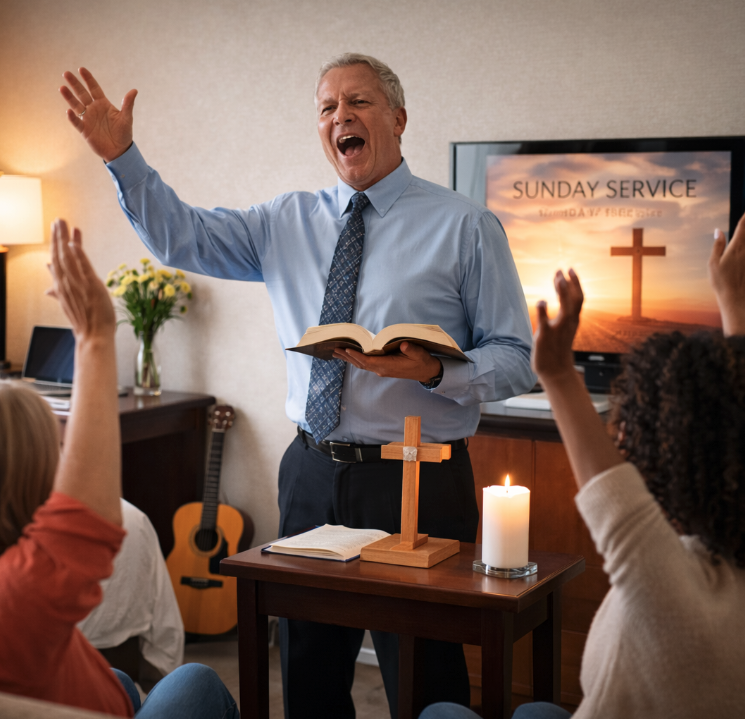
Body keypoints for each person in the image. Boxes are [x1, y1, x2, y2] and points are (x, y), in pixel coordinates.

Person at [60, 54, 535, 717]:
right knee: (308, 675)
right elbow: (181, 237)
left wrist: (434, 370)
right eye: (326, 107)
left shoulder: (465, 225)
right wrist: (124, 158)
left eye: (359, 102)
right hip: (311, 473)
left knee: (425, 680)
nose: (341, 116)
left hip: (419, 481)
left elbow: (518, 358)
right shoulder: (284, 221)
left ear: (398, 119)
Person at [421, 200, 745, 719]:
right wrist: (735, 303)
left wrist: (559, 374)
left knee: (440, 714)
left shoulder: (663, 581)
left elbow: (614, 496)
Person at [0, 220, 237, 719]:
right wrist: (96, 337)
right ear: (28, 492)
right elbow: (91, 521)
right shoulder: (7, 607)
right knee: (196, 683)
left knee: (118, 678)